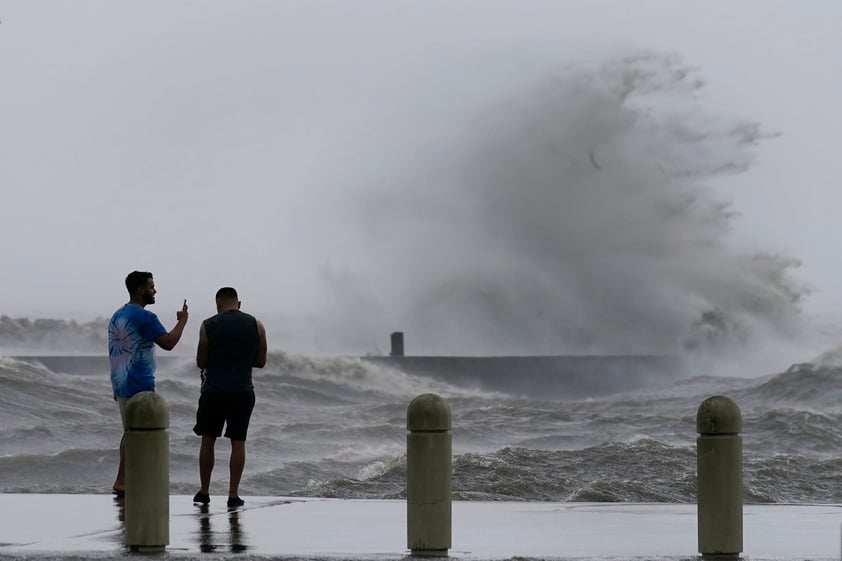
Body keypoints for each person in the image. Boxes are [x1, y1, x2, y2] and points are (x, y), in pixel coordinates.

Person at [108, 270, 189, 497]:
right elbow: (169, 343)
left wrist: (115, 384)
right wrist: (182, 322)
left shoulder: (118, 315)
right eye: (152, 286)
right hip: (139, 383)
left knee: (129, 434)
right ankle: (126, 481)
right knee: (139, 435)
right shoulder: (145, 317)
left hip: (121, 383)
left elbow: (116, 351)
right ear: (140, 289)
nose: (155, 290)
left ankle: (123, 480)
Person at [192, 287, 267, 508]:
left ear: (218, 304)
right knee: (238, 442)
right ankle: (233, 495)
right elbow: (261, 362)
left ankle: (205, 492)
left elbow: (200, 360)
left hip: (213, 391)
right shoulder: (257, 325)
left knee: (208, 440)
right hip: (243, 390)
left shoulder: (208, 325)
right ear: (239, 304)